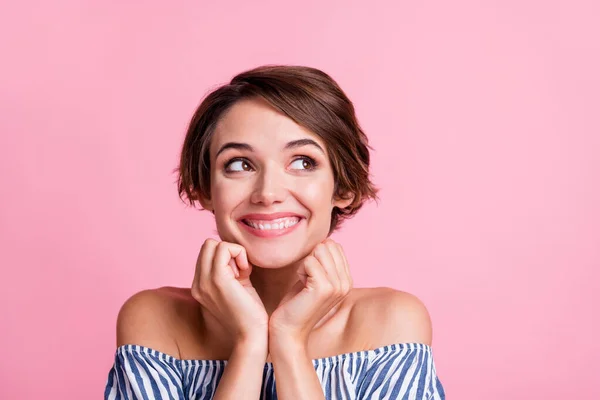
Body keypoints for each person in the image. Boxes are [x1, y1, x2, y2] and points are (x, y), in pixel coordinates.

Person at [104, 65, 446, 399]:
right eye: (239, 164)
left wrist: (289, 340)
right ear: (205, 189)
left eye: (303, 162)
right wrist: (250, 343)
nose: (268, 192)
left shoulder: (392, 324)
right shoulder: (155, 321)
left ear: (343, 187)